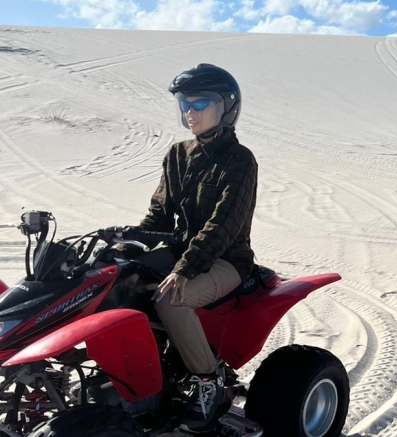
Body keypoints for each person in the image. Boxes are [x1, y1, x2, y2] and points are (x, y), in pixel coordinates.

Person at [130, 63, 258, 433]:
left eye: (201, 102)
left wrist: (184, 270)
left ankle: (209, 383)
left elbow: (223, 226)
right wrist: (134, 244)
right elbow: (158, 215)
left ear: (227, 107)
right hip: (182, 255)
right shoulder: (176, 154)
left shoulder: (240, 160)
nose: (191, 112)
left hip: (225, 260)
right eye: (186, 103)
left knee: (171, 299)